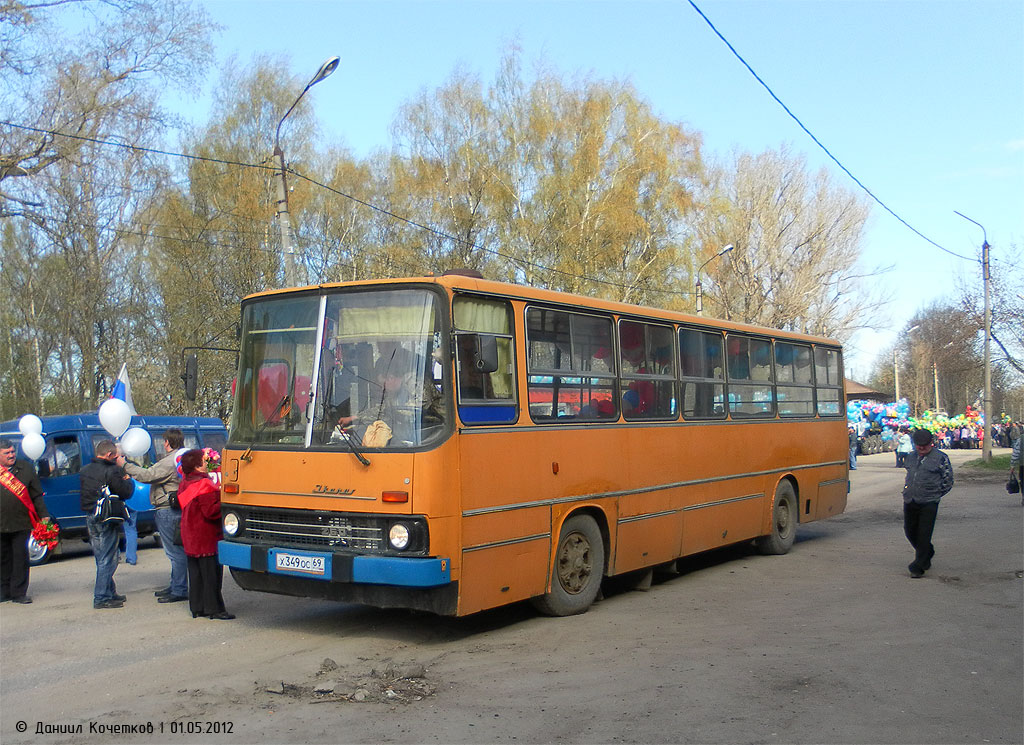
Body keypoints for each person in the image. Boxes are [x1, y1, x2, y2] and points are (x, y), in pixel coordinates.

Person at [119, 429, 188, 603]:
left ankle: (179, 589)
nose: (163, 444)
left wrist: (125, 464)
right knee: (175, 551)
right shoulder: (179, 459)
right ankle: (176, 586)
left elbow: (147, 475)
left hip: (167, 509)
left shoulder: (169, 462)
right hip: (171, 509)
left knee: (174, 552)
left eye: (164, 441)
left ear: (168, 442)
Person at [177, 449, 233, 620]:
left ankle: (197, 606)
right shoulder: (204, 485)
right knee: (211, 574)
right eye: (204, 461)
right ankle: (214, 608)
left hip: (190, 533)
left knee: (195, 573)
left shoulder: (185, 483)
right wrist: (224, 501)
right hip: (205, 535)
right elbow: (211, 512)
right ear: (198, 465)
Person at [80, 440, 134, 608]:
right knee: (108, 558)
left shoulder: (84, 470)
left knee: (100, 556)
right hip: (106, 517)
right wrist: (128, 479)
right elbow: (125, 491)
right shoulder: (112, 470)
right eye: (116, 456)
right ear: (110, 455)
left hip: (90, 515)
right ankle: (102, 597)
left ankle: (110, 591)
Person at [0, 438, 48, 604]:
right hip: (1, 524)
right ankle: (3, 591)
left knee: (20, 558)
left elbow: (36, 495)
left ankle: (19, 593)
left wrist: (44, 516)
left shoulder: (26, 468)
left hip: (21, 523)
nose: (11, 455)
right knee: (3, 559)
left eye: (13, 452)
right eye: (7, 453)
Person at [902, 428, 954, 578]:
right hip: (910, 499)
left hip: (929, 501)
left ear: (931, 443)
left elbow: (948, 480)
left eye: (925, 445)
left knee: (924, 533)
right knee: (910, 530)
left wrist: (936, 494)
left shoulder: (940, 458)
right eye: (918, 445)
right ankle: (927, 552)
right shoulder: (910, 457)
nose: (921, 448)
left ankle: (918, 566)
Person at [1011, 434, 1023, 507]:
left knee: (1023, 482)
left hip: (1023, 464)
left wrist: (1013, 464)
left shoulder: (1021, 439)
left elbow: (1016, 452)